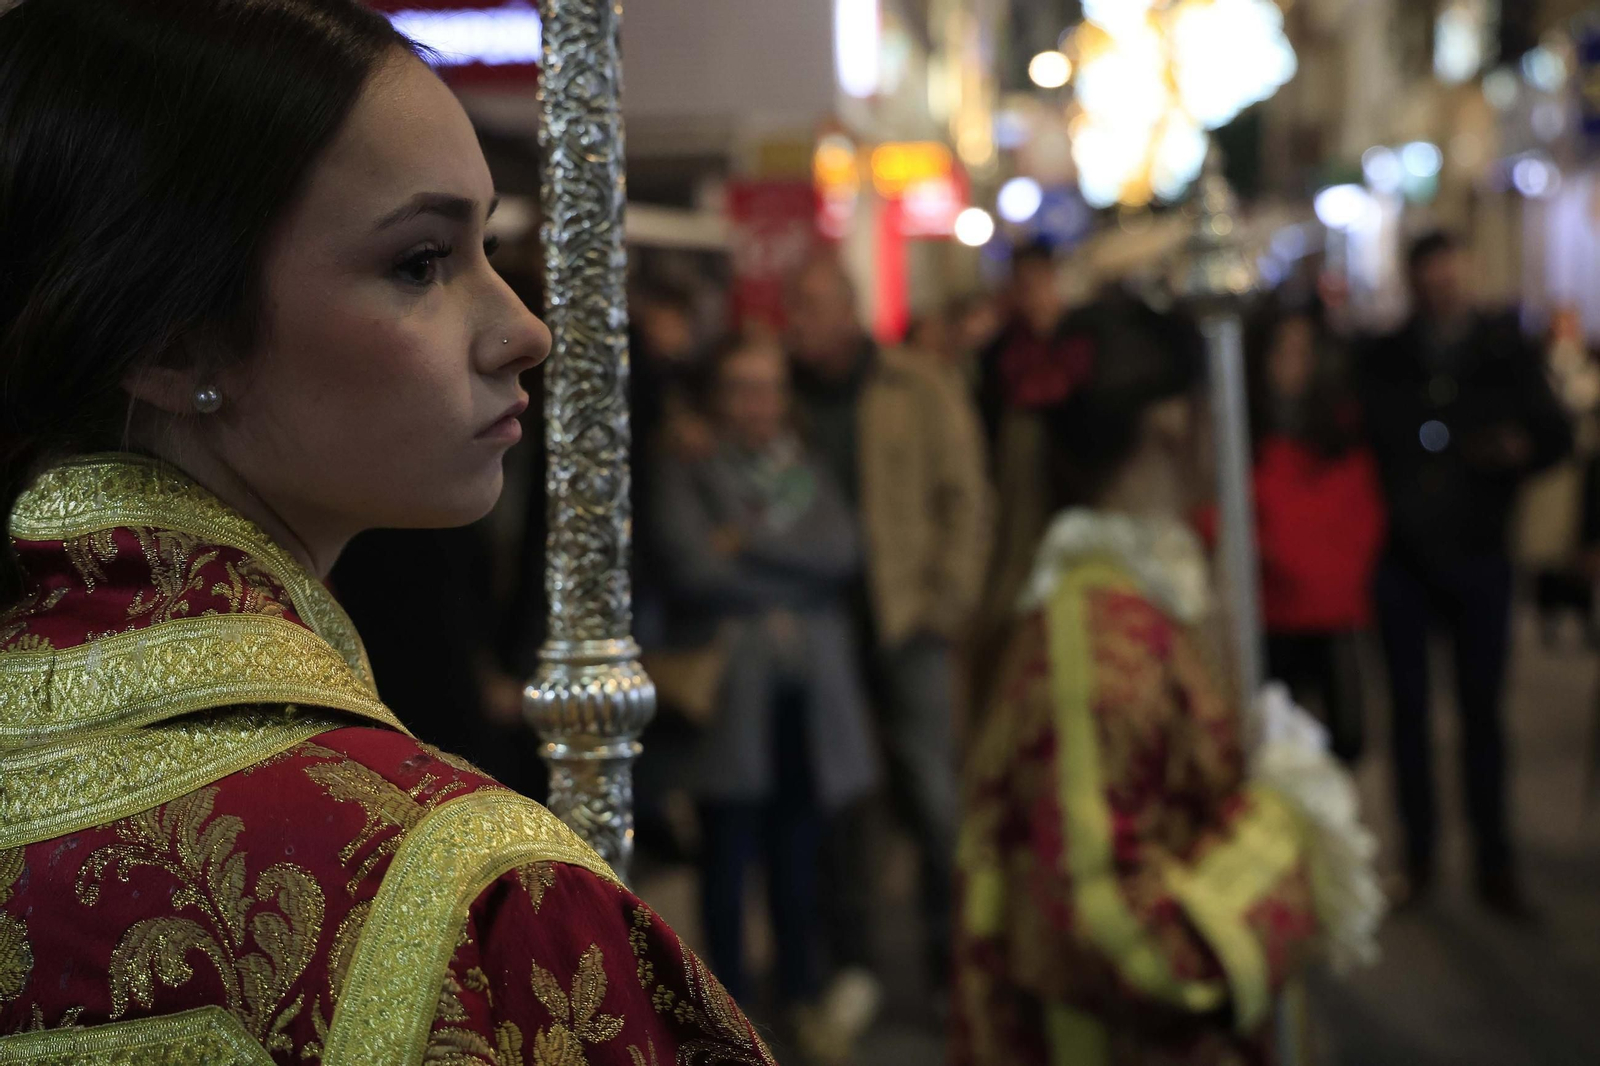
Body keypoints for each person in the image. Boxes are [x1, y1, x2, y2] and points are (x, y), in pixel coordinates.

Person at [0, 3, 775, 1062]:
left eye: (486, 246)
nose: (524, 328)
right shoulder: (485, 906)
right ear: (177, 344)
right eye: (419, 262)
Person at [954, 297, 1353, 1066]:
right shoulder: (1100, 646)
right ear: (1173, 421)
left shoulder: (1134, 604)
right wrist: (1283, 835)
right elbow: (1117, 937)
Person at [650, 336, 878, 1042]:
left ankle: (802, 997)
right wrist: (787, 571)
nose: (760, 403)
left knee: (799, 853)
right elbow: (694, 569)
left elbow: (842, 550)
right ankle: (728, 1017)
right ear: (718, 396)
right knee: (728, 854)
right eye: (744, 387)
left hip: (806, 699)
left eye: (771, 386)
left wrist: (744, 541)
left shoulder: (802, 468)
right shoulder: (688, 467)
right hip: (731, 700)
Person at [785, 255, 991, 1013]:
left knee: (934, 794)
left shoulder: (916, 385)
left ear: (846, 309)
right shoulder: (784, 399)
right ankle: (856, 961)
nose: (795, 324)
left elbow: (965, 498)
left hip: (909, 622)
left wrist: (946, 605)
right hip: (825, 630)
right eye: (791, 308)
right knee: (844, 798)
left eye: (808, 307)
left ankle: (955, 961)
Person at [1360, 231, 1572, 916]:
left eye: (1451, 270)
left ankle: (1494, 860)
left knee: (1482, 715)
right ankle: (1419, 856)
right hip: (1404, 560)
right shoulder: (1387, 353)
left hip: (1479, 553)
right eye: (1431, 273)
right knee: (1411, 716)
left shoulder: (1501, 347)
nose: (1443, 283)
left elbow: (1554, 432)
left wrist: (1518, 446)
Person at [1246, 299, 1386, 764]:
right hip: (1272, 616)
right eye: (1281, 351)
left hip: (1331, 615)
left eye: (1303, 351)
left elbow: (1361, 516)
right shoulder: (1246, 434)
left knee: (1345, 741)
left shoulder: (1338, 431)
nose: (1292, 364)